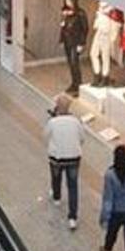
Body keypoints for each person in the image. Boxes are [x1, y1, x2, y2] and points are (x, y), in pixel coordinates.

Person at [45, 93, 84, 230]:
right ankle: (72, 217)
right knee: (73, 186)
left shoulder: (52, 122)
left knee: (56, 177)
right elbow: (82, 138)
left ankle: (57, 197)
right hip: (74, 157)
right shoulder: (76, 121)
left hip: (57, 157)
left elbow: (46, 136)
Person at [59, 0, 89, 95]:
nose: (68, 2)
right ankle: (74, 83)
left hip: (76, 42)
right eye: (66, 0)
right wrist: (61, 40)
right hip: (68, 41)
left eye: (69, 0)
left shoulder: (80, 13)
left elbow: (85, 29)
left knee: (74, 63)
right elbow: (63, 27)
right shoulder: (66, 12)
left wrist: (82, 43)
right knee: (70, 64)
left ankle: (78, 85)